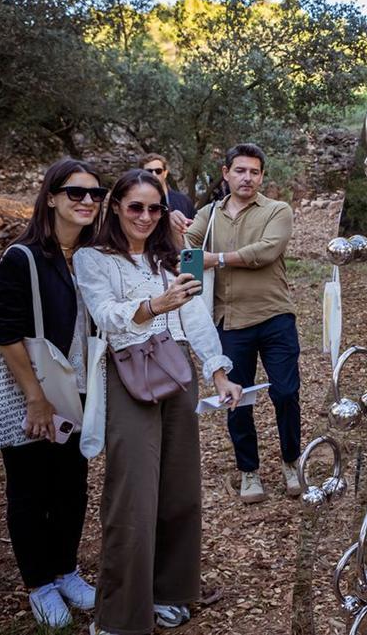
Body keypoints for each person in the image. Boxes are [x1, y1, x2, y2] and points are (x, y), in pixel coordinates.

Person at [75, 170, 243, 635]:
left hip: (175, 370)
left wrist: (219, 373)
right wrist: (153, 307)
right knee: (133, 496)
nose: (146, 217)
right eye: (135, 207)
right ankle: (121, 616)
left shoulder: (168, 258)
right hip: (127, 374)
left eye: (154, 208)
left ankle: (172, 592)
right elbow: (106, 316)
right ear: (116, 208)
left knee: (180, 488)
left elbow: (195, 315)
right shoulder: (93, 259)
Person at [0, 159, 105, 627]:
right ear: (51, 197)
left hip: (79, 390)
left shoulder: (92, 257)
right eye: (76, 193)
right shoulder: (23, 258)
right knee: (32, 490)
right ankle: (39, 584)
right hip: (35, 392)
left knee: (72, 486)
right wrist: (35, 396)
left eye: (96, 194)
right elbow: (5, 332)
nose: (87, 202)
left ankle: (67, 570)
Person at [178, 144, 300, 503]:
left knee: (286, 392)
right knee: (236, 399)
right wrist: (175, 229)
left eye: (255, 172)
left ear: (262, 176)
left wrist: (213, 259)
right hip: (229, 322)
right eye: (241, 170)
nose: (248, 178)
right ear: (226, 172)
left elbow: (265, 251)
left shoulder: (278, 210)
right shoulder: (208, 215)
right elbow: (186, 253)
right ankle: (249, 472)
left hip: (275, 315)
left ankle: (292, 461)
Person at [141, 152, 196, 218]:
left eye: (158, 171)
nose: (154, 175)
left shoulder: (183, 201)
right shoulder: (137, 202)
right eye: (149, 171)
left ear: (165, 173)